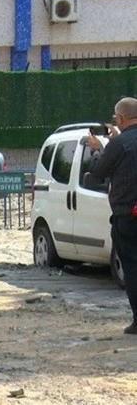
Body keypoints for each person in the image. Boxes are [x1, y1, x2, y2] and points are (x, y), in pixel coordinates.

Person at [86, 96, 137, 335]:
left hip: (128, 215)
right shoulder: (121, 142)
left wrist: (97, 150)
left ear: (120, 118)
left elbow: (97, 174)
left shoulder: (119, 145)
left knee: (132, 267)